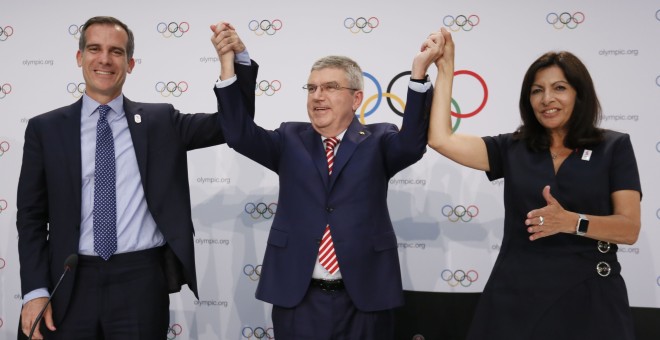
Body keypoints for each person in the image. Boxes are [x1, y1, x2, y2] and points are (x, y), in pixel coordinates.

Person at [16, 16, 258, 339]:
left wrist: (234, 61)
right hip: (69, 281)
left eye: (116, 52)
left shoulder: (161, 121)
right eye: (94, 49)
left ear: (130, 64)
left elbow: (233, 126)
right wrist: (34, 291)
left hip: (141, 282)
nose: (104, 59)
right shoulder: (45, 129)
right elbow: (31, 218)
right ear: (79, 58)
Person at [212, 23, 444, 339]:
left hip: (364, 298)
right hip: (298, 298)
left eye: (330, 87)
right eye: (312, 88)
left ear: (356, 98)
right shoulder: (289, 138)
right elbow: (238, 134)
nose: (318, 97)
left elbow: (412, 145)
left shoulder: (379, 139)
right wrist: (230, 64)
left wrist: (418, 74)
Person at [428, 29, 642, 339]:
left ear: (579, 94)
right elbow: (440, 139)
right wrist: (446, 68)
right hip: (516, 296)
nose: (546, 99)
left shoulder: (613, 147)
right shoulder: (513, 148)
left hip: (589, 298)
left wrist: (571, 221)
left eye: (559, 88)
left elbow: (629, 228)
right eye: (536, 90)